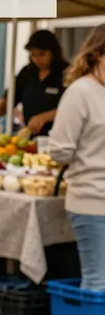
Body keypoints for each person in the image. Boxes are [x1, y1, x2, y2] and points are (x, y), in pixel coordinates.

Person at [48, 26, 105, 292]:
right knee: (98, 281)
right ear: (98, 55)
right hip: (92, 202)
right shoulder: (80, 92)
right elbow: (59, 149)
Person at [0, 29, 68, 136]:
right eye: (33, 55)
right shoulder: (27, 72)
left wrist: (45, 117)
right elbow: (11, 96)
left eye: (41, 54)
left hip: (59, 136)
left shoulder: (67, 73)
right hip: (29, 136)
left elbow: (74, 108)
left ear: (53, 52)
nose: (36, 59)